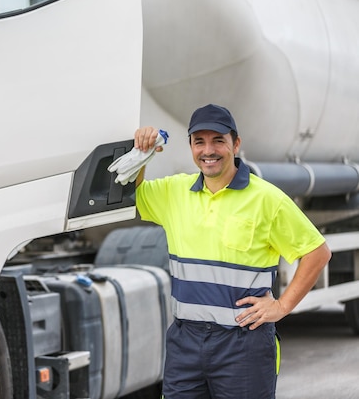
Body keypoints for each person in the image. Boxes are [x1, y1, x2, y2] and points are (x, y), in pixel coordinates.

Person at [133, 104, 331, 399]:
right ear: (191, 146)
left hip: (243, 345)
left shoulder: (267, 198)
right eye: (199, 141)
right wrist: (142, 153)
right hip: (185, 342)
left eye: (218, 141)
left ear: (235, 144)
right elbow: (133, 195)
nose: (208, 150)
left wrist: (282, 306)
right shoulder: (173, 192)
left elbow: (317, 252)